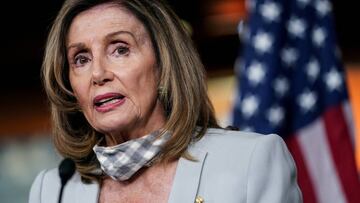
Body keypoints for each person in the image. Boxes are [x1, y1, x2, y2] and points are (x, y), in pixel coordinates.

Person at [29, 0, 302, 202]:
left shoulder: (251, 162)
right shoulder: (53, 190)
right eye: (81, 59)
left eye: (120, 49)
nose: (98, 74)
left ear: (163, 66)